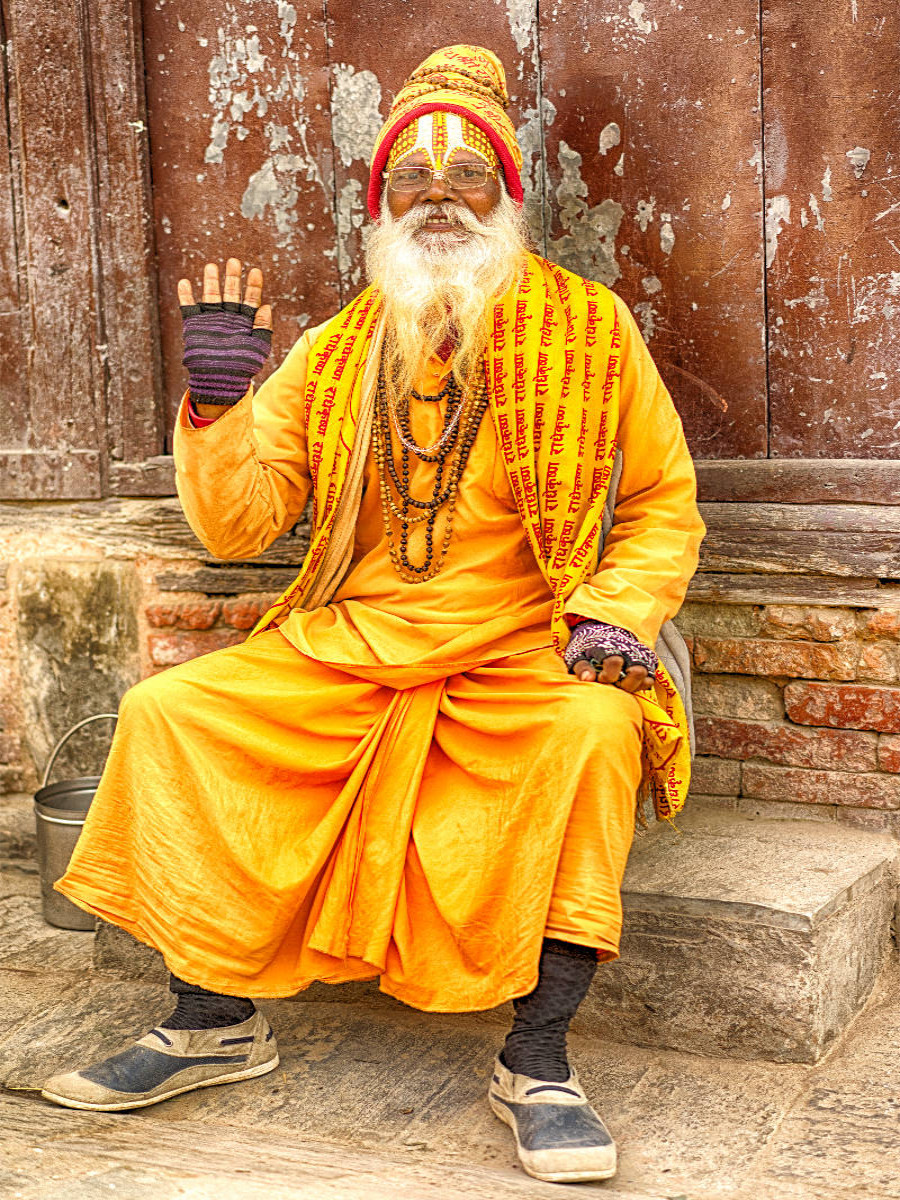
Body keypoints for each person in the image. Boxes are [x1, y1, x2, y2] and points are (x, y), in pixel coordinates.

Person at [43, 45, 704, 1185]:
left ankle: (537, 1060)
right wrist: (216, 407)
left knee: (592, 740)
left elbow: (660, 507)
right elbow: (243, 527)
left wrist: (615, 617)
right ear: (380, 202)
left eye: (465, 174)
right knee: (171, 712)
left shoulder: (592, 331)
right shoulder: (339, 348)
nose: (438, 195)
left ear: (505, 193)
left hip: (531, 643)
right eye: (412, 177)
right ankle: (211, 1019)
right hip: (351, 644)